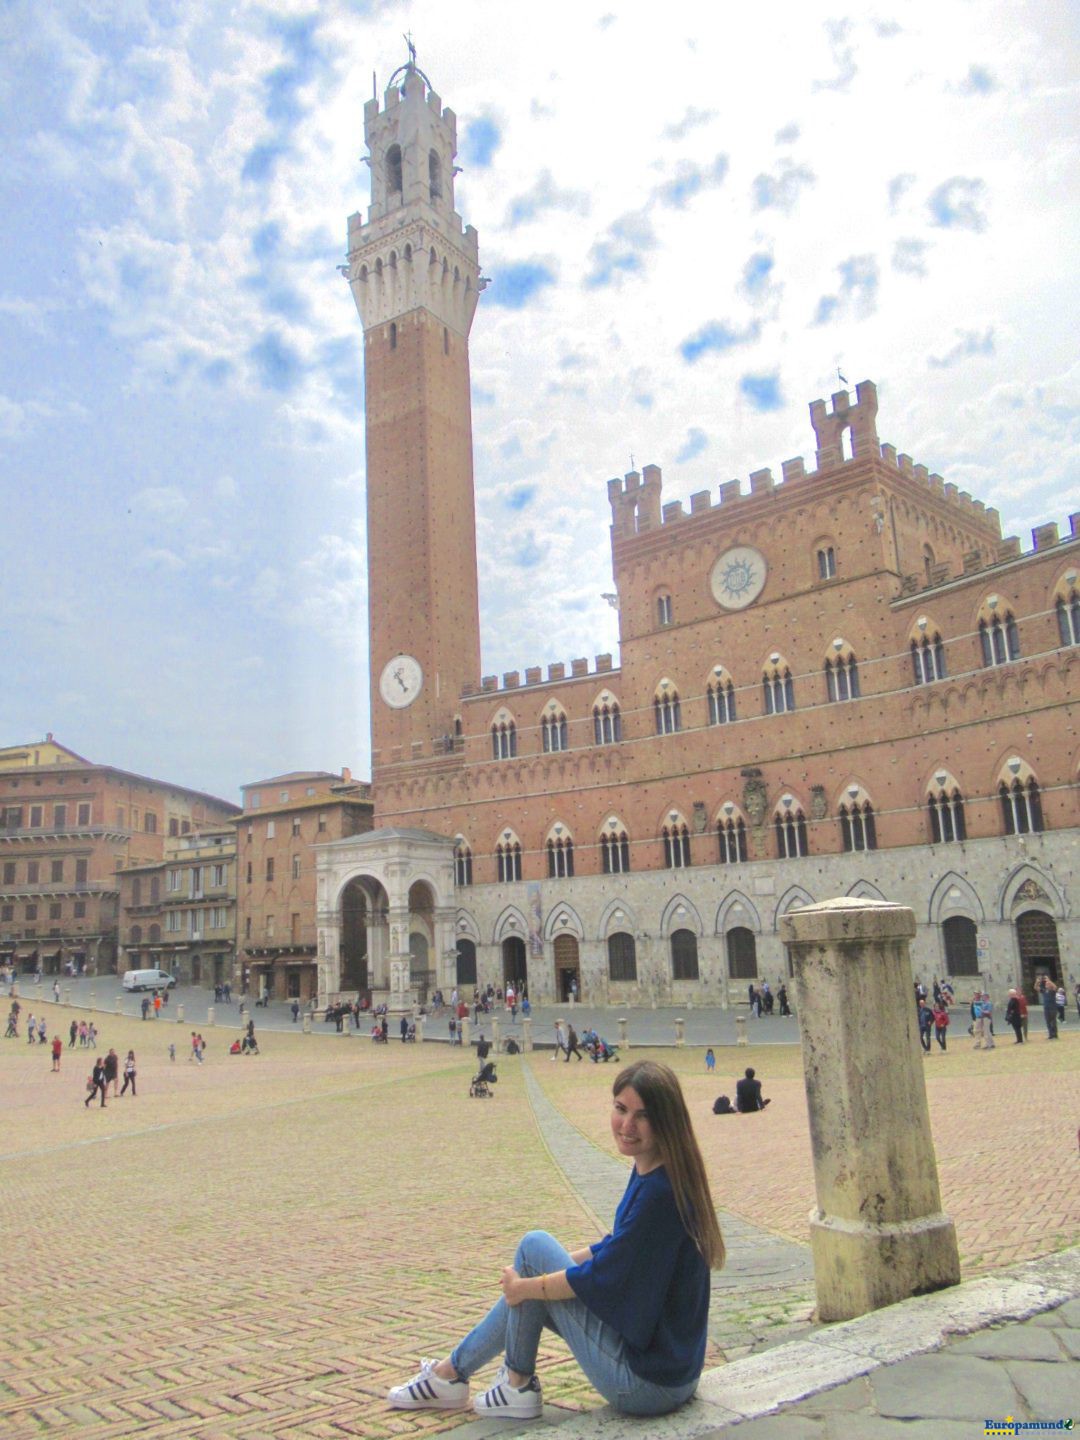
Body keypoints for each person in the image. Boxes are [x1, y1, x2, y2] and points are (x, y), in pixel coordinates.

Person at [388, 1062, 724, 1419]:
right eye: (621, 1109)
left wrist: (528, 1285)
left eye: (642, 1116)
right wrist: (535, 1277)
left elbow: (602, 1276)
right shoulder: (657, 1169)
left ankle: (490, 1380)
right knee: (534, 1263)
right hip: (674, 1373)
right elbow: (615, 1249)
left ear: (666, 1121)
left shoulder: (658, 1193)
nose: (627, 1126)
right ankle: (466, 1376)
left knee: (533, 1253)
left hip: (645, 1385)